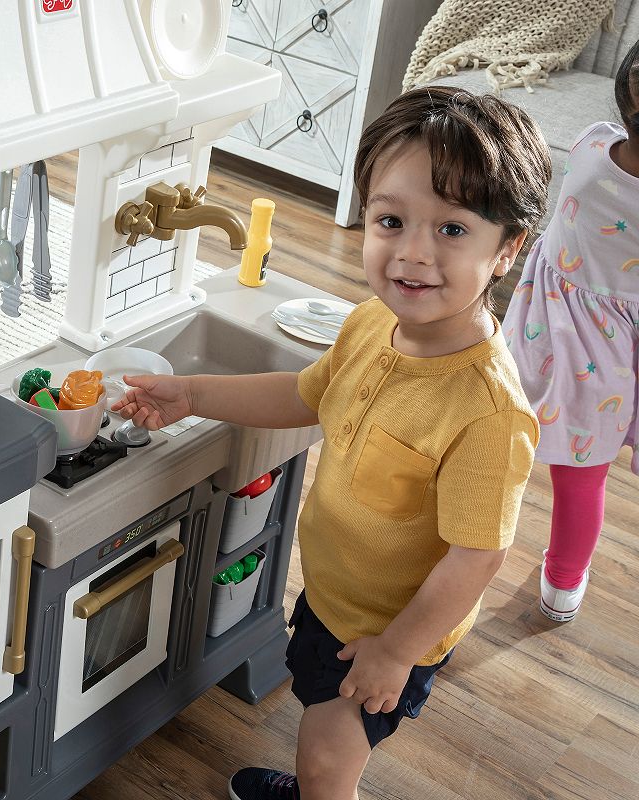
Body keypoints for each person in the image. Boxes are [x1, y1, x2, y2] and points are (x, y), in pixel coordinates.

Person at [112, 86, 552, 800]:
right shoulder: (370, 324)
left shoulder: (488, 413)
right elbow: (304, 394)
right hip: (332, 596)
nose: (412, 254)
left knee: (326, 761)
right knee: (319, 719)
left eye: (451, 230)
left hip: (394, 632)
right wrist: (192, 395)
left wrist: (396, 653)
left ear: (507, 250)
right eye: (392, 219)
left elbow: (479, 555)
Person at [502, 39, 639, 624]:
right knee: (582, 478)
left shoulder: (592, 147)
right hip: (616, 351)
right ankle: (561, 586)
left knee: (496, 427)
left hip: (549, 326)